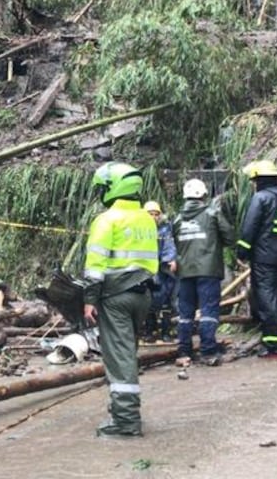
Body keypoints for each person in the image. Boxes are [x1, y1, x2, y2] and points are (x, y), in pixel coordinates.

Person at [83, 162, 159, 438]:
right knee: (127, 354)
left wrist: (89, 299)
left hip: (115, 296)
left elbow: (95, 267)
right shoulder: (146, 219)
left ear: (112, 188)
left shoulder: (106, 220)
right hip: (143, 295)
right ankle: (121, 410)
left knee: (120, 358)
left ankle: (126, 420)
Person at [239, 160, 277, 359]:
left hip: (264, 257)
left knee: (266, 298)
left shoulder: (261, 198)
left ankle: (275, 344)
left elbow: (250, 227)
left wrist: (243, 251)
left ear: (260, 180)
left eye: (254, 180)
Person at [172, 179, 231, 366]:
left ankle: (183, 352)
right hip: (208, 270)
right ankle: (208, 351)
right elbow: (229, 236)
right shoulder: (212, 213)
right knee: (208, 311)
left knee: (185, 314)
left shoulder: (177, 219)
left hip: (185, 272)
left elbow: (176, 242)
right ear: (204, 195)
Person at [141, 201, 178, 344]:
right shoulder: (139, 231)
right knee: (149, 303)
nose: (154, 217)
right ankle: (150, 331)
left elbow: (169, 245)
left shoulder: (164, 230)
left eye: (156, 214)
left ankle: (166, 332)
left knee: (166, 302)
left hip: (162, 271)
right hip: (146, 272)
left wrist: (170, 260)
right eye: (150, 214)